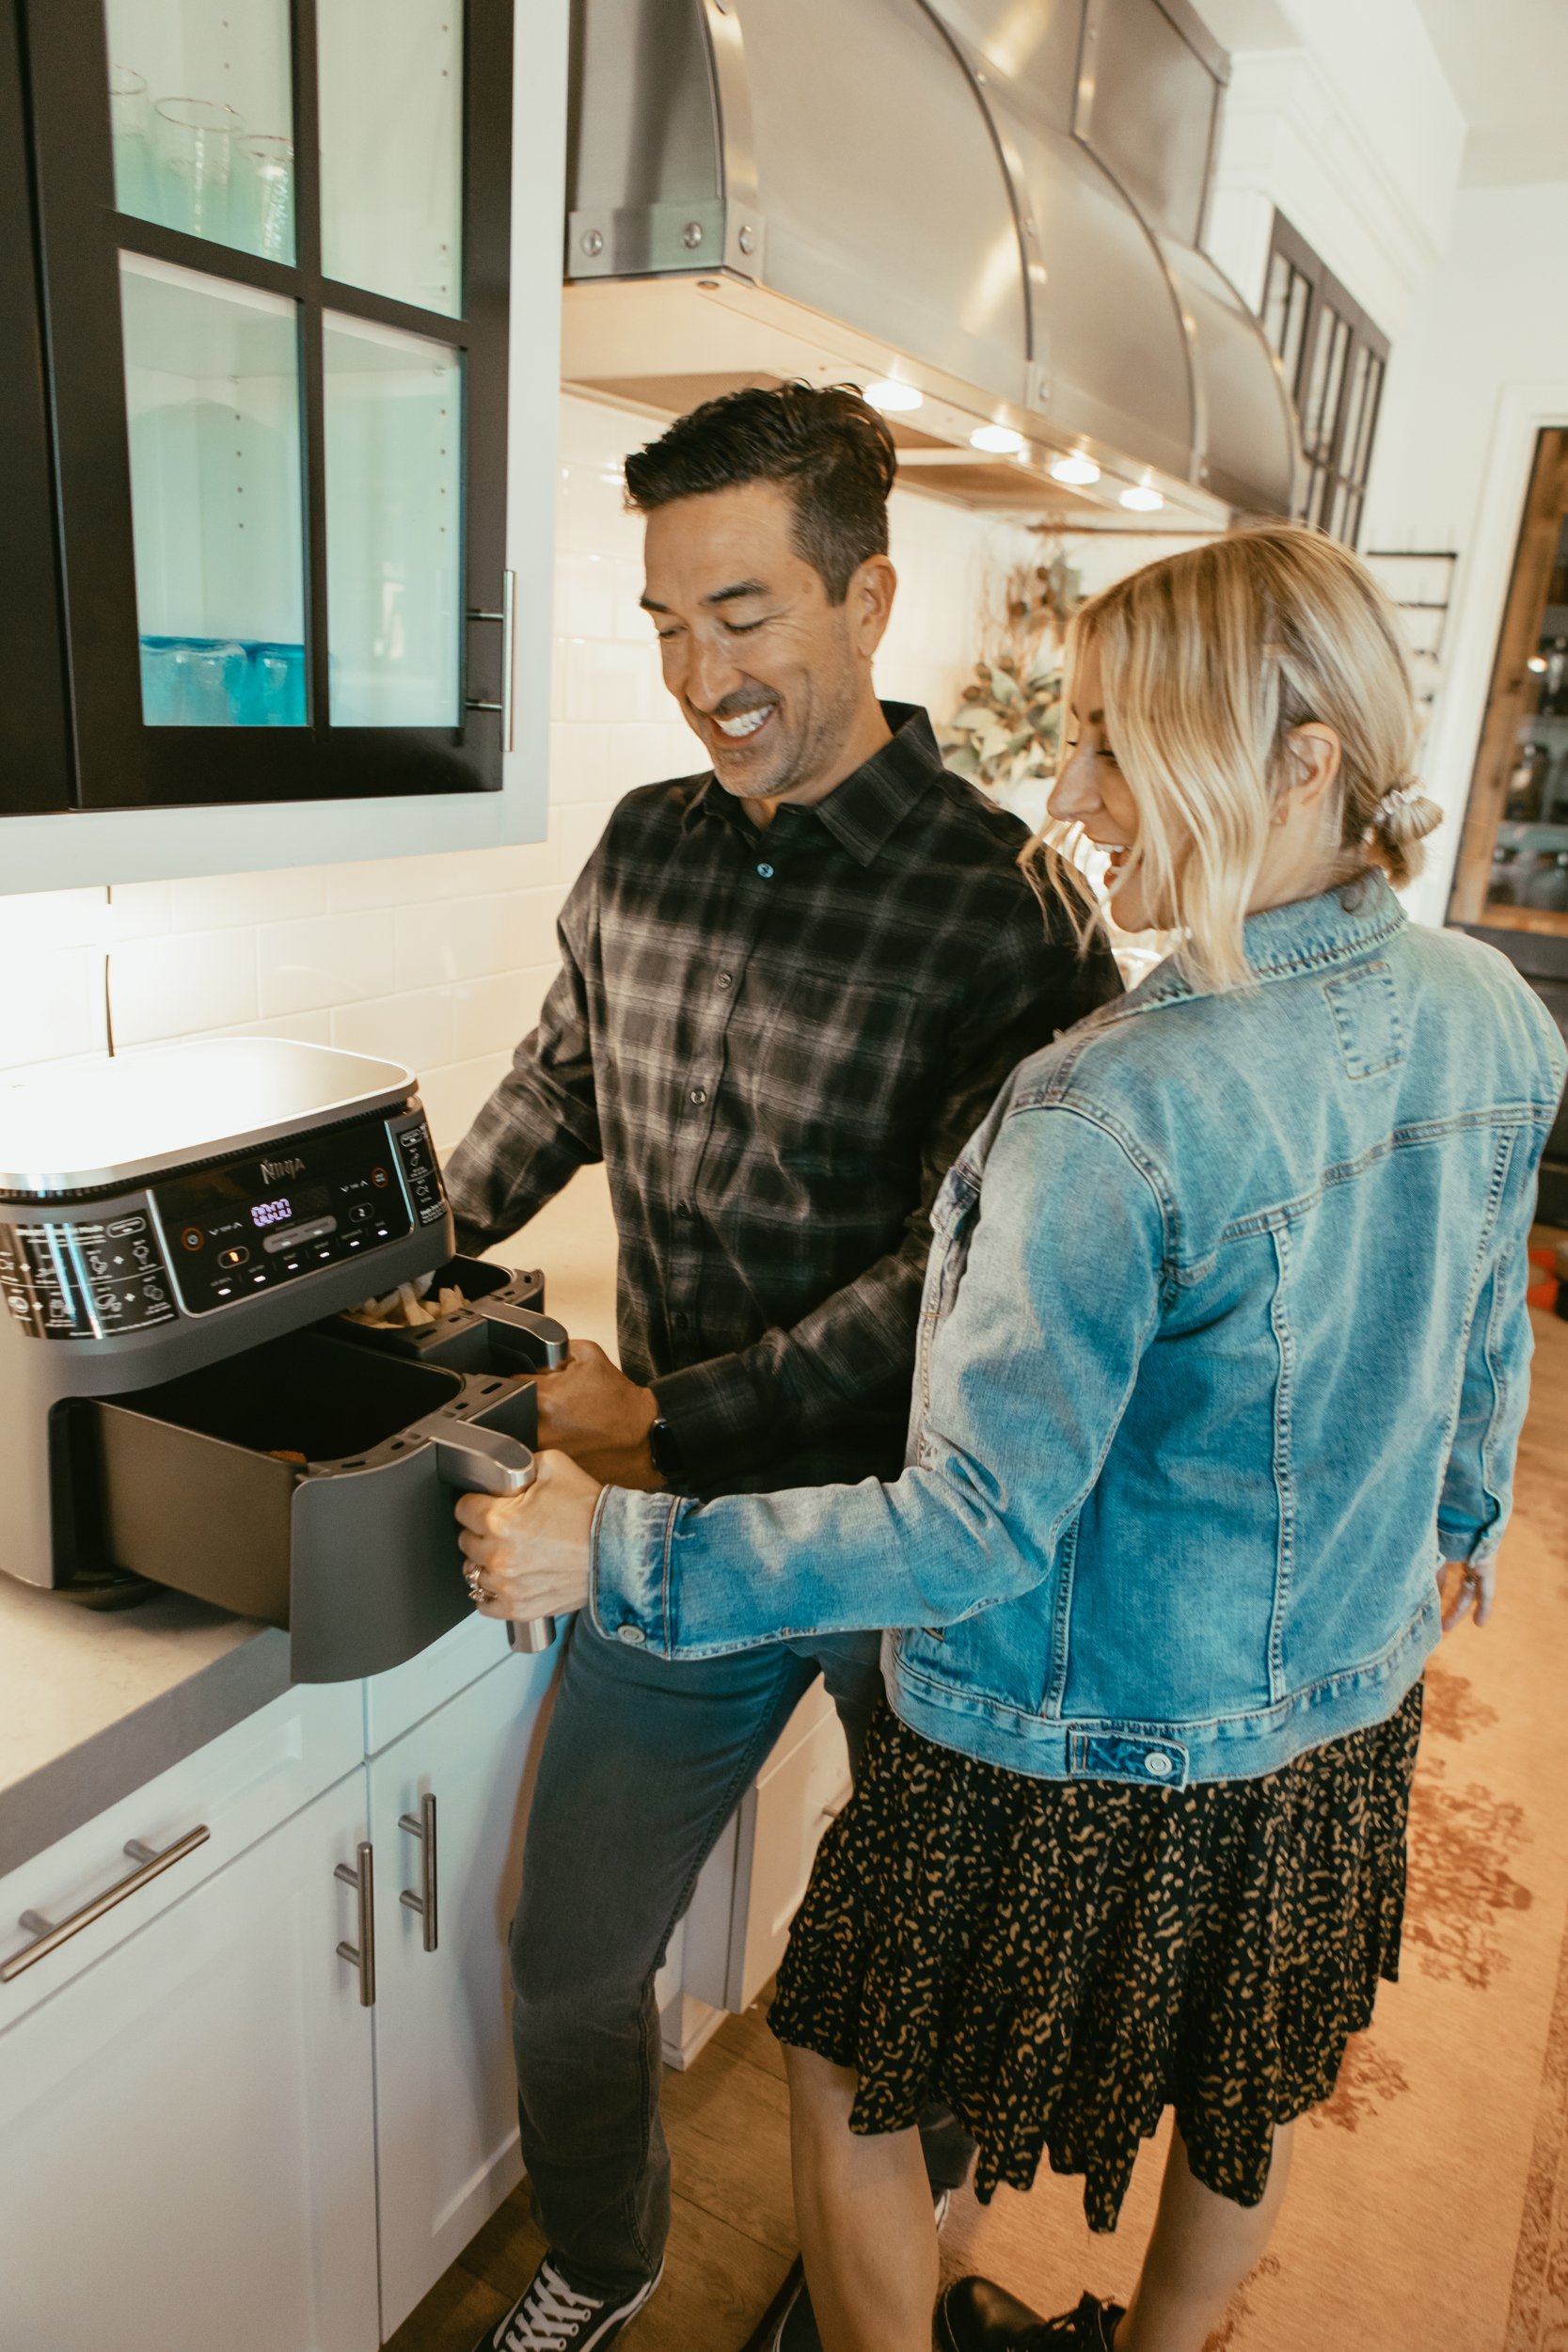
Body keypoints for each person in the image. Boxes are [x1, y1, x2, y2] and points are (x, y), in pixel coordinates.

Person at [456, 524, 1568, 2352]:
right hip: (1345, 1696)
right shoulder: (1492, 1014)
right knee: (1247, 2066)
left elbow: (977, 1520)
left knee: (847, 2069)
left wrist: (623, 1537)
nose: (1074, 790)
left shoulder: (1116, 1096)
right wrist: (1456, 1520)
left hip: (1064, 1699)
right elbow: (1477, 1331)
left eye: (1125, 739)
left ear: (1306, 757)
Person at [442, 380, 1120, 2352]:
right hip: (673, 1540)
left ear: (866, 597)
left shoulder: (1008, 908)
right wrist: (388, 1260)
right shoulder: (643, 851)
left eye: (741, 615)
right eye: (664, 620)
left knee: (931, 1990)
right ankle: (609, 2247)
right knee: (566, 1960)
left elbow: (969, 1262)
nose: (696, 669)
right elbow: (548, 1096)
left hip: (919, 1539)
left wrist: (665, 1412)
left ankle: (885, 2284)